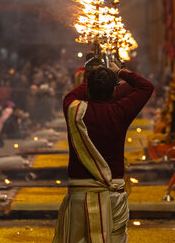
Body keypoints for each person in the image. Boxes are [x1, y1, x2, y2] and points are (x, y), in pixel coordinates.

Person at [53, 62, 153, 243]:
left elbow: (72, 94)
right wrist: (119, 71)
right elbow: (146, 86)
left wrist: (93, 73)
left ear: (88, 89)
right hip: (112, 196)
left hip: (79, 198)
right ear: (114, 92)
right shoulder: (120, 111)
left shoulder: (73, 110)